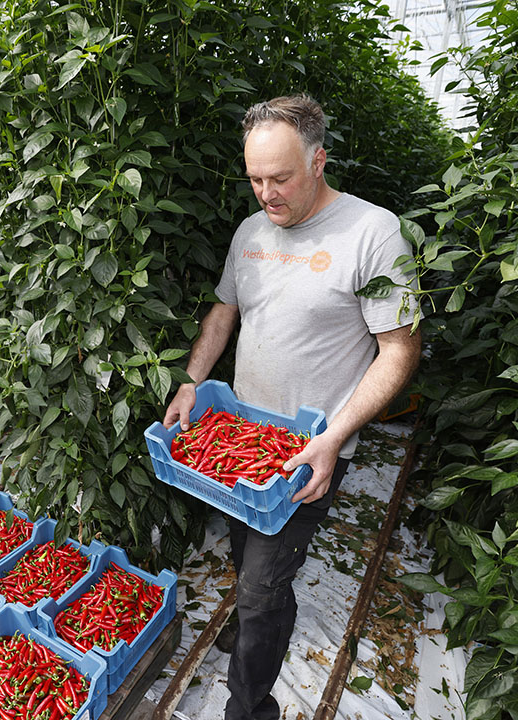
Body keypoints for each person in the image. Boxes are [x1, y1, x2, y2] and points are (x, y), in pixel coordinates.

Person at [161, 94, 421, 720]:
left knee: (261, 586)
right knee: (243, 553)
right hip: (240, 442)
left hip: (307, 455)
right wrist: (192, 379)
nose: (266, 194)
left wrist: (334, 436)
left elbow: (399, 350)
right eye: (255, 179)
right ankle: (253, 620)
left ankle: (250, 706)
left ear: (320, 161)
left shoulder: (374, 233)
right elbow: (224, 313)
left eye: (281, 178)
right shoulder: (251, 232)